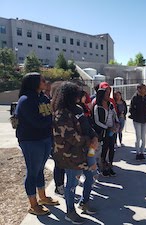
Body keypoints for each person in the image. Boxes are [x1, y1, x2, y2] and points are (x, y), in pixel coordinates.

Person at [52, 82, 99, 224]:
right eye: (77, 93)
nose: (80, 96)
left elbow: (87, 125)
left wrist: (95, 136)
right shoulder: (62, 114)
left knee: (91, 177)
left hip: (85, 151)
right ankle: (70, 212)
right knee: (72, 183)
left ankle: (84, 202)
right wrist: (90, 141)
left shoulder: (78, 109)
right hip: (70, 155)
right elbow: (72, 137)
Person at [15, 72, 59, 216]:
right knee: (32, 171)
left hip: (45, 138)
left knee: (39, 169)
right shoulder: (26, 100)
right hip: (31, 140)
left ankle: (43, 198)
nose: (45, 82)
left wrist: (50, 120)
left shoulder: (43, 98)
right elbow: (37, 122)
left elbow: (48, 116)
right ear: (34, 83)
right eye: (42, 80)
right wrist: (52, 120)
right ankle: (33, 205)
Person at [93, 83, 119, 177]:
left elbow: (115, 115)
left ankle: (110, 166)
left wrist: (117, 124)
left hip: (112, 131)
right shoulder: (97, 107)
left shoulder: (111, 105)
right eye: (107, 95)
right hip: (103, 132)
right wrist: (107, 128)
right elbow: (97, 121)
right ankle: (103, 168)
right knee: (103, 150)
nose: (109, 96)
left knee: (111, 149)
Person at [129, 83, 146, 160]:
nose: (145, 90)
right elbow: (131, 109)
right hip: (137, 120)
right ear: (139, 89)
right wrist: (135, 116)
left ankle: (142, 152)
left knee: (143, 137)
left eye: (145, 89)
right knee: (138, 137)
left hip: (145, 120)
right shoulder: (134, 98)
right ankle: (137, 153)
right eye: (143, 89)